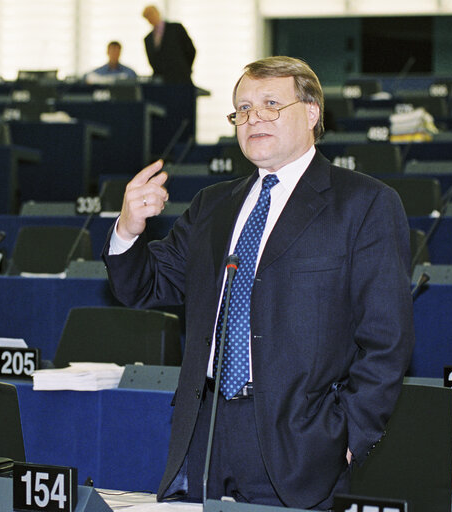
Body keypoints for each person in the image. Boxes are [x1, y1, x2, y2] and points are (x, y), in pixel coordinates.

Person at [102, 56, 414, 510]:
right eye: (243, 109)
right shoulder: (213, 204)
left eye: (271, 103)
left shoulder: (364, 203)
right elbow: (144, 286)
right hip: (205, 433)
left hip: (303, 439)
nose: (254, 118)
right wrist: (129, 229)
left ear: (311, 113)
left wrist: (350, 434)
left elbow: (387, 338)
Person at [142, 5, 195, 84]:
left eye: (151, 13)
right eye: (147, 16)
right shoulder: (148, 39)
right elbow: (152, 61)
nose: (150, 17)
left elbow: (190, 50)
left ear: (157, 13)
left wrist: (184, 68)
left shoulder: (176, 28)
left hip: (181, 78)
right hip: (162, 82)